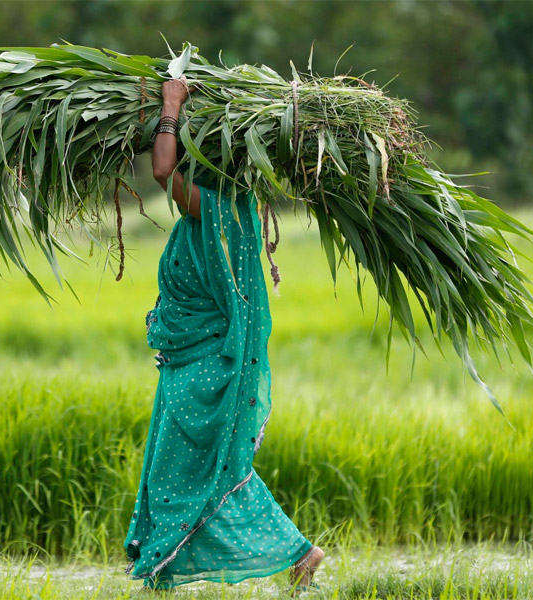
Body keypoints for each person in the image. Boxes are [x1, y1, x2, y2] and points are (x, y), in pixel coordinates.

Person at [122, 75, 325, 596]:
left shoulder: (218, 209)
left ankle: (298, 553)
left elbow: (162, 169)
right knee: (189, 472)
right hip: (190, 364)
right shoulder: (221, 211)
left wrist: (171, 105)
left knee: (198, 474)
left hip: (204, 369)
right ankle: (164, 572)